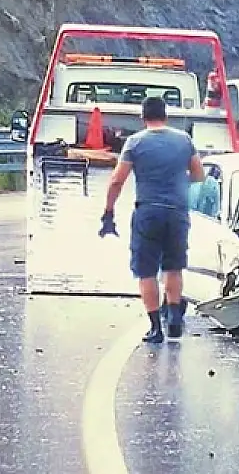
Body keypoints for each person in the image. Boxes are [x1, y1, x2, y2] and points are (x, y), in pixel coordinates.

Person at [100, 96, 206, 343]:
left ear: (143, 117)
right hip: (177, 212)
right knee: (173, 266)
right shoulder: (184, 140)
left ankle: (156, 327)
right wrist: (178, 182)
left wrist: (108, 211)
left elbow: (117, 180)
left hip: (148, 212)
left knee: (146, 270)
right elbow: (199, 175)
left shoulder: (135, 143)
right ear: (166, 116)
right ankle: (175, 319)